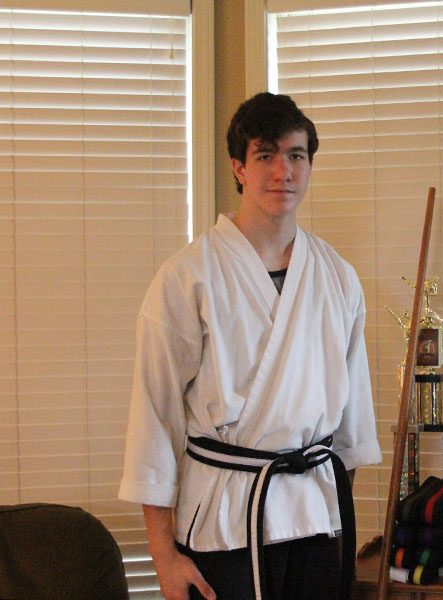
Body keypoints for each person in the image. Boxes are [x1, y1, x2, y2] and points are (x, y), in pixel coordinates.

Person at [118, 92, 382, 600]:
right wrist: (164, 557)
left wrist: (337, 519)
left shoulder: (337, 278)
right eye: (265, 155)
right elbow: (153, 418)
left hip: (316, 519)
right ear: (239, 167)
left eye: (296, 155)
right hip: (224, 519)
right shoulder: (188, 277)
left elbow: (350, 427)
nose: (282, 170)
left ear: (309, 166)